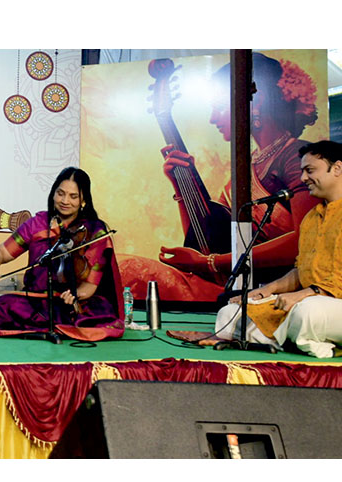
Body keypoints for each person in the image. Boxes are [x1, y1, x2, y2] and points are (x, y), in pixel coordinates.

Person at [121, 52, 321, 302]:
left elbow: (306, 241)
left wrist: (211, 262)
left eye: (220, 107)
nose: (213, 118)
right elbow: (206, 238)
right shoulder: (246, 168)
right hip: (230, 286)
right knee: (124, 269)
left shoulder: (296, 157)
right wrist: (183, 186)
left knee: (129, 271)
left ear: (255, 103)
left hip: (275, 290)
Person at [214, 141, 342, 358]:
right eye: (302, 172)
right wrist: (266, 291)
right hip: (313, 300)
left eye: (310, 170)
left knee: (308, 312)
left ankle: (294, 338)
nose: (303, 178)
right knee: (230, 315)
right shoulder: (311, 218)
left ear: (337, 168)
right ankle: (301, 339)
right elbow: (302, 271)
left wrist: (303, 295)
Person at [0, 167, 124, 341]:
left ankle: (43, 329)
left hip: (74, 304)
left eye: (73, 196)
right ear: (53, 194)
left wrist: (75, 295)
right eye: (60, 194)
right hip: (37, 302)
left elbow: (90, 286)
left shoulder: (95, 231)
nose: (65, 201)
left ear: (84, 200)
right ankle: (56, 329)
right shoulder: (37, 224)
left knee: (100, 313)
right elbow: (1, 251)